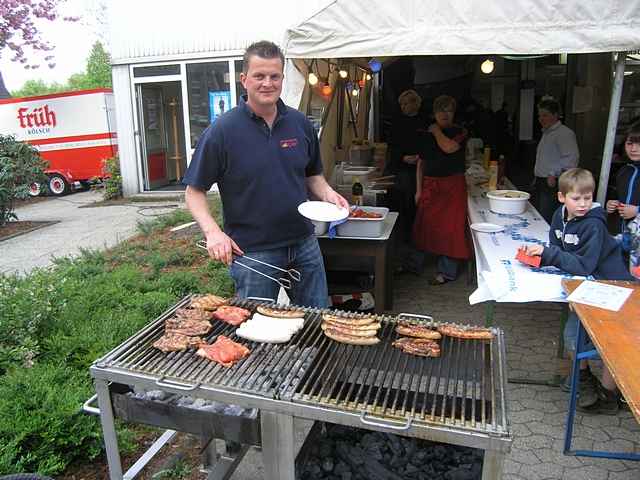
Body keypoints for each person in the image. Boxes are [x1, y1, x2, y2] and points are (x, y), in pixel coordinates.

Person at [182, 40, 349, 308]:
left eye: (274, 76)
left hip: (304, 242)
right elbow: (194, 191)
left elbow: (312, 175)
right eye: (259, 76)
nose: (267, 83)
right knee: (256, 331)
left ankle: (314, 352)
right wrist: (213, 233)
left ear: (282, 78)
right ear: (244, 79)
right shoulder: (222, 132)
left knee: (316, 320)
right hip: (253, 251)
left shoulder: (300, 123)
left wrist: (329, 195)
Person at [523, 168, 635, 414]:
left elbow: (584, 264)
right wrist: (540, 257)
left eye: (588, 197)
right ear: (562, 197)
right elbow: (558, 248)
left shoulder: (593, 225)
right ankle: (584, 380)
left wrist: (549, 255)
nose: (583, 204)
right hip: (588, 285)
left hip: (613, 287)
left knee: (605, 342)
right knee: (574, 335)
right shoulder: (558, 216)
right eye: (577, 198)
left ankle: (608, 396)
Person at [412, 95, 471, 285]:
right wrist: (418, 190)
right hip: (431, 184)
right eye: (440, 110)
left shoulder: (460, 131)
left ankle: (446, 272)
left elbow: (449, 147)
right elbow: (421, 163)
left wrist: (436, 131)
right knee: (423, 226)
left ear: (454, 113)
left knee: (451, 228)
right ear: (434, 113)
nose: (444, 114)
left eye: (448, 110)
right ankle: (414, 265)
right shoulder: (424, 133)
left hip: (453, 186)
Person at [387, 89, 426, 243]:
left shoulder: (425, 121)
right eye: (401, 104)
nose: (403, 107)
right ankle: (405, 237)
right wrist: (403, 157)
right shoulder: (397, 122)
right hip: (403, 169)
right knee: (405, 203)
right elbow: (392, 146)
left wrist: (421, 157)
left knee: (419, 204)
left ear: (415, 103)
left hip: (422, 168)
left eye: (405, 103)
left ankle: (419, 236)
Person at [533, 98, 580, 223]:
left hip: (553, 183)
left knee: (546, 218)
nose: (541, 119)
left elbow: (571, 158)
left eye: (545, 115)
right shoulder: (547, 133)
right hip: (541, 181)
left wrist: (553, 173)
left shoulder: (564, 133)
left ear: (555, 115)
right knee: (538, 215)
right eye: (539, 116)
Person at [606, 120, 640, 240]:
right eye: (630, 143)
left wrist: (637, 210)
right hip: (620, 236)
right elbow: (616, 196)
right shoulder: (624, 171)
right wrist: (611, 204)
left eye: (639, 144)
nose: (634, 149)